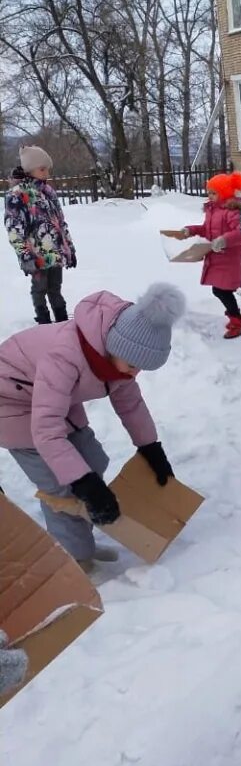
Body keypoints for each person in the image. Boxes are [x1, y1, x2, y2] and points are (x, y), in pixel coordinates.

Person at [0, 283, 184, 566]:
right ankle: (76, 560)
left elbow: (130, 404)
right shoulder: (65, 356)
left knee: (92, 461)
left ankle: (81, 540)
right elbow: (47, 432)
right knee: (62, 486)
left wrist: (151, 448)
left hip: (49, 397)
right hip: (10, 405)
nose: (136, 372)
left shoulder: (114, 357)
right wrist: (84, 484)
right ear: (116, 347)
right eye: (134, 364)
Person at [163, 172, 241, 339]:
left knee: (221, 291)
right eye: (209, 191)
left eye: (214, 192)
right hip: (216, 256)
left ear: (224, 193)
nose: (210, 195)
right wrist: (190, 230)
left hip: (228, 257)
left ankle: (237, 321)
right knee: (220, 290)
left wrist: (223, 240)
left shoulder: (232, 211)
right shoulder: (212, 209)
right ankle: (237, 317)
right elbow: (206, 229)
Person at [4, 145, 77, 325]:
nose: (46, 173)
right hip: (36, 256)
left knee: (55, 289)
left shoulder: (48, 192)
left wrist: (70, 248)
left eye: (47, 169)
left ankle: (62, 322)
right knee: (39, 289)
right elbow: (14, 230)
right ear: (30, 170)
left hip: (55, 253)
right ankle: (43, 323)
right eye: (42, 169)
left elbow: (60, 222)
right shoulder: (17, 195)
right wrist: (26, 255)